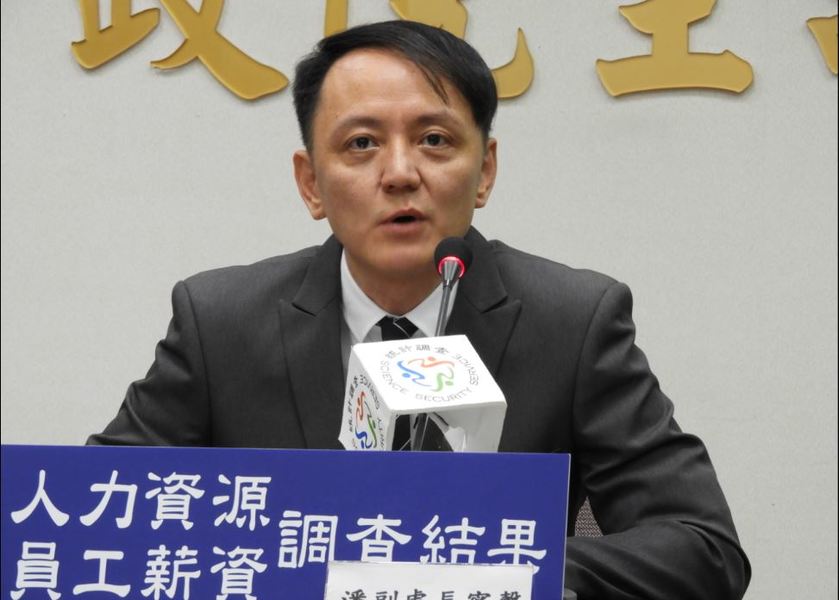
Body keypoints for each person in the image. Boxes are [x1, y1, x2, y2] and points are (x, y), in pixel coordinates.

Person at [89, 20, 750, 599]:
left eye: (434, 139)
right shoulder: (220, 322)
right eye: (361, 144)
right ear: (311, 183)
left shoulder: (572, 321)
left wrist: (499, 568)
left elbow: (703, 549)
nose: (400, 173)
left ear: (484, 171)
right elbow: (95, 514)